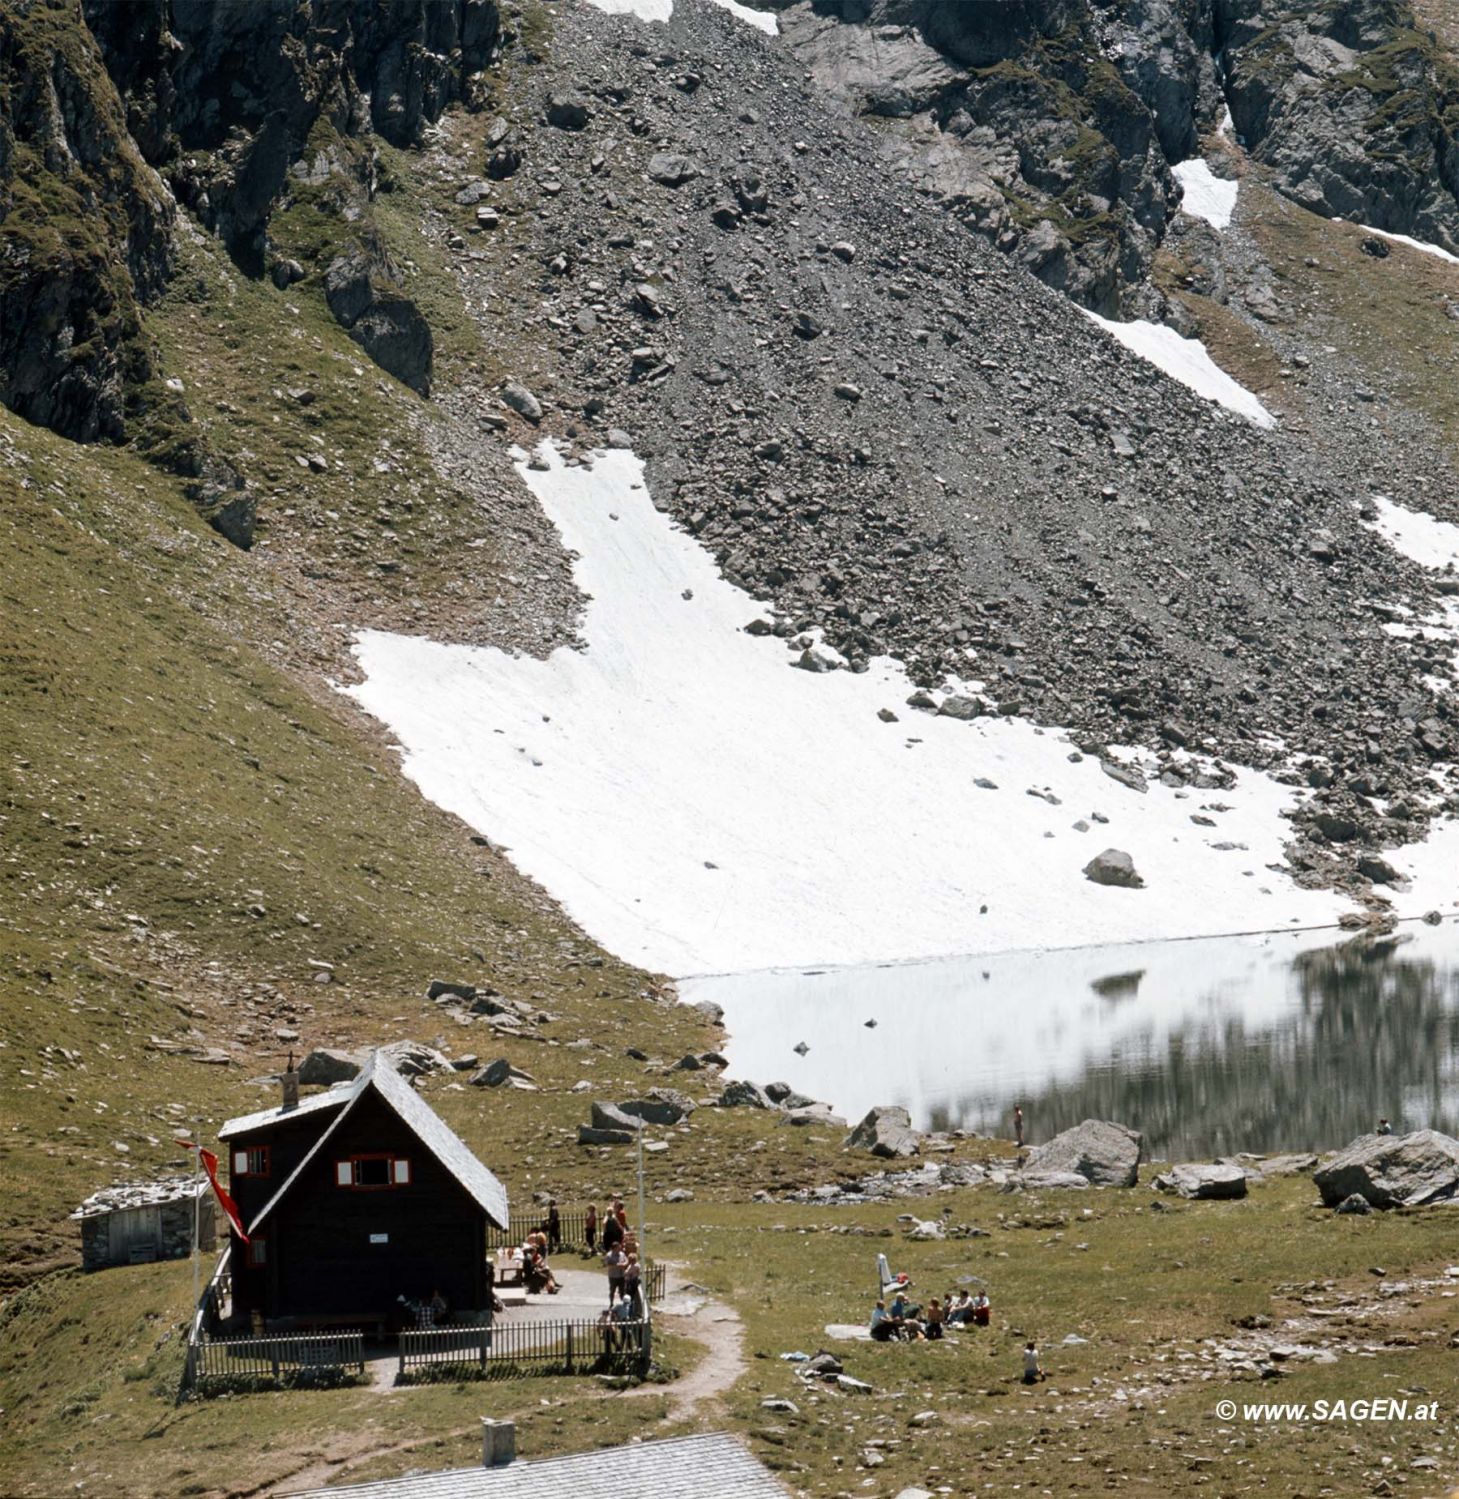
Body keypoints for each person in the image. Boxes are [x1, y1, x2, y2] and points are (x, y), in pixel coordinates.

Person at [605, 1241, 628, 1306]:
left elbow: (626, 1260)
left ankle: (623, 1304)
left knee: (622, 1290)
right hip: (613, 1276)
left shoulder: (622, 1254)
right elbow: (608, 1264)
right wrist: (616, 1265)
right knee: (612, 1290)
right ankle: (611, 1303)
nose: (620, 1248)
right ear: (614, 1248)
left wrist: (624, 1264)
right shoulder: (609, 1255)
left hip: (621, 1275)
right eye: (618, 1247)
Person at [624, 1253, 643, 1317]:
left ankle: (630, 1313)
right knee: (631, 1298)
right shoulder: (636, 1265)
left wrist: (626, 1272)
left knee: (630, 1298)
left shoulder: (634, 1266)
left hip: (632, 1283)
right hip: (631, 1281)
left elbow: (627, 1273)